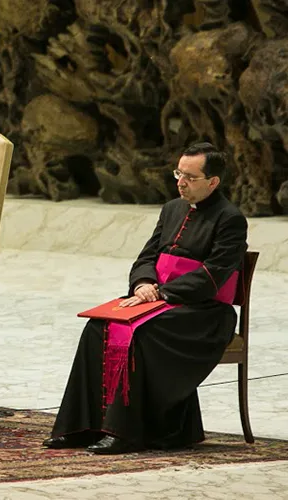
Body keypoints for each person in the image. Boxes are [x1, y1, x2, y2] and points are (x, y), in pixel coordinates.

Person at [43, 142, 249, 454]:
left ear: (213, 182)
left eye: (190, 177)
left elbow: (213, 275)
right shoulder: (171, 209)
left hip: (204, 312)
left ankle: (124, 432)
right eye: (179, 173)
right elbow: (147, 257)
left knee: (140, 334)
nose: (180, 181)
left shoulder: (230, 218)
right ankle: (82, 427)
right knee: (97, 328)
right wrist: (143, 283)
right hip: (159, 300)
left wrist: (163, 292)